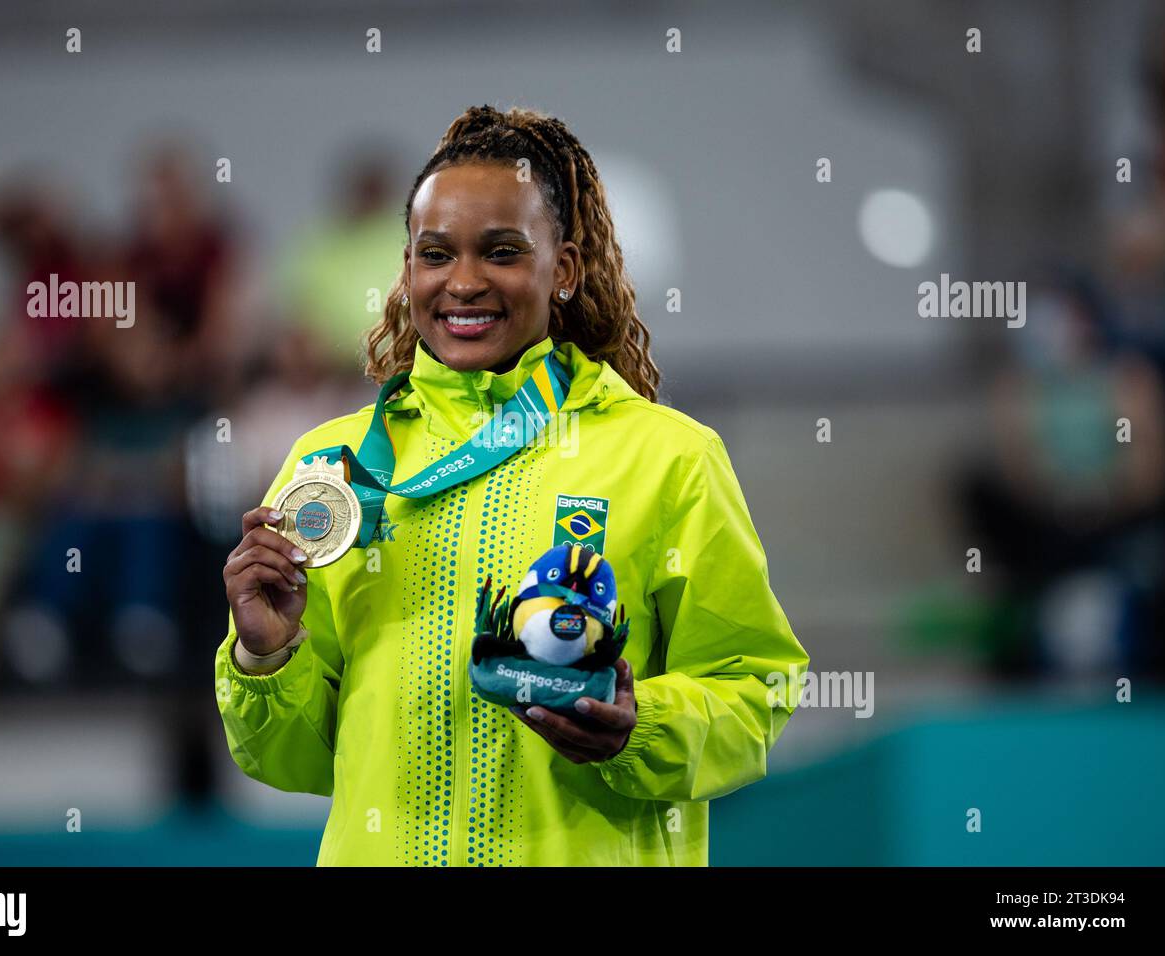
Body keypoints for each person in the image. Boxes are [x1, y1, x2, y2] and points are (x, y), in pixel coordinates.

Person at [215, 105, 808, 866]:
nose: (464, 283)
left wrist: (642, 726)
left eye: (500, 252)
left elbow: (754, 688)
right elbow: (292, 762)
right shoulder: (334, 467)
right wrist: (267, 656)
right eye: (435, 255)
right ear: (406, 270)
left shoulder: (667, 457)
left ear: (562, 269)